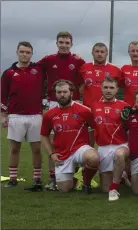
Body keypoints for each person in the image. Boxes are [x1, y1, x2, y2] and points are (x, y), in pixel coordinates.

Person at [37, 31, 86, 190]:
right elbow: (32, 69)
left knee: (76, 139)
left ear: (71, 44)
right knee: (53, 141)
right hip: (53, 103)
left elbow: (84, 81)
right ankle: (53, 176)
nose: (64, 45)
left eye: (67, 42)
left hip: (74, 103)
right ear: (57, 43)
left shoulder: (78, 61)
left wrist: (80, 98)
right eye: (61, 42)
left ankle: (77, 175)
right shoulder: (48, 60)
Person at [39, 80, 100, 193]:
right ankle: (75, 172)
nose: (62, 95)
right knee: (65, 189)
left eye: (65, 92)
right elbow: (44, 135)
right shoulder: (49, 114)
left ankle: (86, 183)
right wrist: (51, 154)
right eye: (59, 92)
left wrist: (92, 147)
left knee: (93, 158)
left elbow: (95, 128)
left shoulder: (84, 110)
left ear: (71, 93)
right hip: (62, 153)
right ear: (55, 94)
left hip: (80, 149)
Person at [1, 41, 45, 190]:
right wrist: (3, 115)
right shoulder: (8, 73)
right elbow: (2, 95)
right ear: (17, 52)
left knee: (37, 149)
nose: (25, 54)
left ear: (31, 54)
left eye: (27, 52)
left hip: (36, 116)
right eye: (22, 52)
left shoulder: (38, 69)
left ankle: (37, 179)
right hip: (15, 116)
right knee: (14, 149)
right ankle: (13, 179)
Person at [90, 78, 130, 200]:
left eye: (112, 88)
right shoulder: (93, 106)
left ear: (117, 90)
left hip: (121, 145)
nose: (108, 90)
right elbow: (91, 128)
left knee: (119, 154)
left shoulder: (125, 106)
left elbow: (130, 129)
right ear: (101, 88)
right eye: (106, 87)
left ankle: (117, 183)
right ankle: (121, 175)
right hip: (103, 147)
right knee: (104, 189)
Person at [79, 42, 122, 147]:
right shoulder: (84, 67)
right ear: (92, 53)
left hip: (108, 112)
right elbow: (80, 87)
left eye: (102, 52)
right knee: (88, 144)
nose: (99, 54)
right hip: (88, 110)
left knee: (107, 142)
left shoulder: (115, 70)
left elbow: (119, 87)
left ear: (106, 53)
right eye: (97, 51)